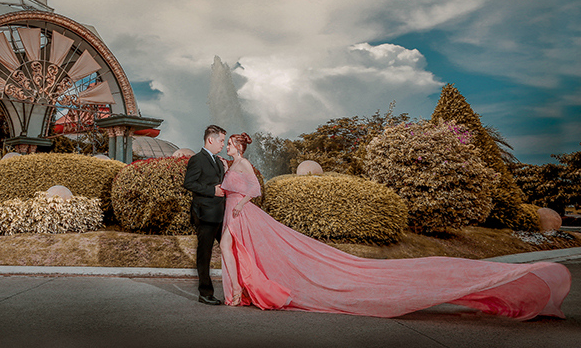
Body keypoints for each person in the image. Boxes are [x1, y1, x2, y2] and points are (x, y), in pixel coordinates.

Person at [219, 132, 572, 320]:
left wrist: (243, 202)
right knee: (235, 252)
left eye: (231, 144)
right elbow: (229, 187)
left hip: (242, 214)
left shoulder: (243, 165)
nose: (229, 147)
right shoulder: (231, 165)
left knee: (240, 251)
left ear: (239, 147)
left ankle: (238, 294)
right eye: (229, 144)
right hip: (235, 213)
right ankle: (238, 293)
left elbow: (255, 190)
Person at [183, 124, 227, 305]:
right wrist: (211, 190)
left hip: (221, 214)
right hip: (205, 215)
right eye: (221, 140)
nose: (223, 144)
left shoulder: (219, 161)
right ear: (210, 139)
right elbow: (189, 183)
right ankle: (205, 293)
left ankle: (239, 289)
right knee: (205, 254)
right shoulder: (197, 159)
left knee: (231, 250)